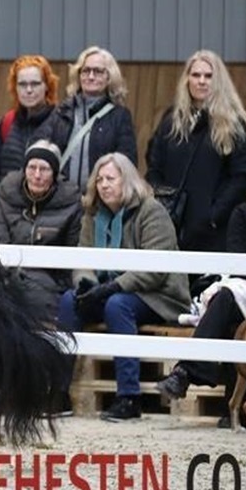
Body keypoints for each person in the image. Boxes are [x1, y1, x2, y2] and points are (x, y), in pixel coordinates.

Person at [155, 155, 246, 426]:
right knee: (226, 300)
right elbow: (236, 259)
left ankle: (213, 391)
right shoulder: (244, 213)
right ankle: (186, 372)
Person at [56, 153, 191, 421]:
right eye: (99, 180)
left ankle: (128, 397)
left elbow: (154, 269)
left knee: (117, 305)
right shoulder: (92, 215)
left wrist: (112, 287)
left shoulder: (151, 211)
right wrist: (85, 285)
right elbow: (83, 258)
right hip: (107, 289)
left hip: (156, 294)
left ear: (127, 180)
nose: (104, 185)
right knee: (70, 300)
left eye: (110, 179)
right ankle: (58, 391)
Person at [145, 49, 246, 254]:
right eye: (196, 75)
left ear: (219, 81)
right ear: (187, 80)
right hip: (172, 223)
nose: (202, 81)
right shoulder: (171, 120)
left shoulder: (236, 122)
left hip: (215, 229)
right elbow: (154, 167)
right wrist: (161, 205)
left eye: (209, 76)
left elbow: (244, 176)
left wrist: (213, 215)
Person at [0, 141, 83, 322]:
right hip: (7, 275)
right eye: (32, 168)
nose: (37, 175)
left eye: (44, 169)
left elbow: (71, 254)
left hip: (51, 282)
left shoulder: (71, 203)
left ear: (55, 173)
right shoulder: (5, 195)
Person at [33, 46, 137, 190]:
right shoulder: (63, 111)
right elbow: (38, 146)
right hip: (62, 197)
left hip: (100, 197)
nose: (91, 76)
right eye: (86, 71)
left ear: (109, 77)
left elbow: (127, 164)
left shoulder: (119, 116)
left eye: (98, 71)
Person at [0, 54, 60, 186]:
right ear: (15, 87)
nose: (29, 90)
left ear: (47, 85)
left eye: (35, 84)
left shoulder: (61, 122)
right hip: (6, 197)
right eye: (22, 84)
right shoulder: (6, 122)